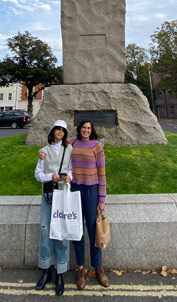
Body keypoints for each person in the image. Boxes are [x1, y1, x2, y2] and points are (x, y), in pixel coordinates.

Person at [39, 119, 110, 290]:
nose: (86, 130)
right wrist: (42, 152)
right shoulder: (73, 143)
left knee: (93, 229)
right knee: (76, 229)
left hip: (91, 191)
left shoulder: (97, 146)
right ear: (79, 130)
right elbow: (56, 144)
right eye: (83, 128)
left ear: (91, 130)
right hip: (74, 190)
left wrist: (102, 199)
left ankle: (98, 267)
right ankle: (80, 269)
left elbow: (102, 173)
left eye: (88, 128)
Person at [34, 120, 73, 296]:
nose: (60, 132)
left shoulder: (69, 149)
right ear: (52, 132)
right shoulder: (44, 151)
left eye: (62, 130)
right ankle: (46, 269)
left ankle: (60, 272)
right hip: (49, 194)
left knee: (62, 231)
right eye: (57, 129)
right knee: (45, 228)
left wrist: (68, 177)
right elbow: (38, 174)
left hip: (63, 195)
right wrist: (51, 176)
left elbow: (72, 169)